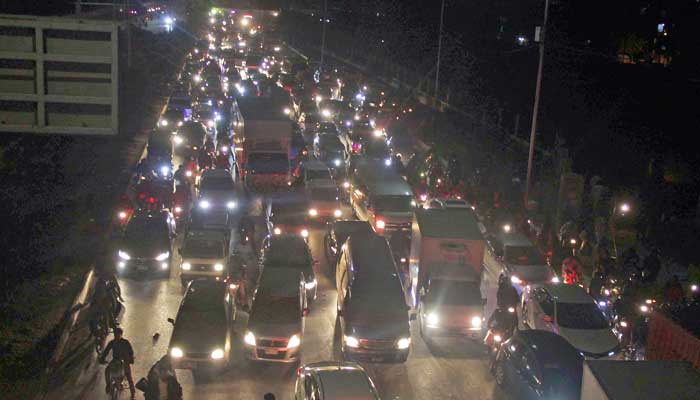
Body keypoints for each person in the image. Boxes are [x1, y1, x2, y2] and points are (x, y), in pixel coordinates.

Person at [100, 328, 136, 399]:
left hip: (125, 361)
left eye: (117, 335)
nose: (116, 336)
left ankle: (133, 393)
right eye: (115, 334)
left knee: (129, 376)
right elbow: (106, 351)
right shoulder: (112, 343)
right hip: (115, 360)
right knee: (107, 370)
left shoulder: (126, 342)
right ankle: (108, 384)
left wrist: (131, 359)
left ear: (121, 335)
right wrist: (102, 358)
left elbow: (131, 352)